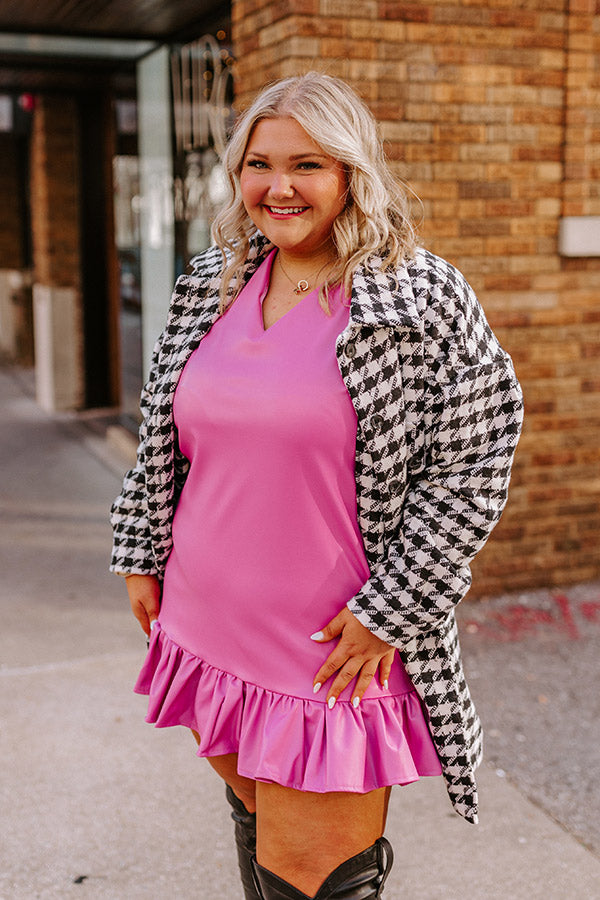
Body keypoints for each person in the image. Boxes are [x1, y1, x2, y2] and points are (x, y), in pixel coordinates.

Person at [111, 72, 523, 900]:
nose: (280, 187)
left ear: (351, 173)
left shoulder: (420, 296)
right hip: (204, 621)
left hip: (332, 648)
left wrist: (394, 609)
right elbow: (164, 431)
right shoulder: (213, 280)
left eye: (307, 164)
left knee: (312, 877)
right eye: (259, 164)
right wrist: (140, 549)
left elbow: (474, 465)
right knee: (257, 825)